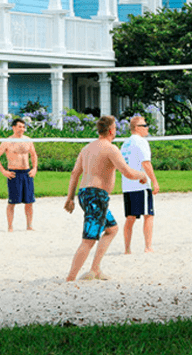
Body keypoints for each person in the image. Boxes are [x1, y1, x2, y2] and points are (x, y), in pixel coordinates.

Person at [63, 115, 147, 281]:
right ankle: (70, 278)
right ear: (111, 130)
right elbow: (128, 172)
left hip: (85, 194)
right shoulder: (110, 148)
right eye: (115, 128)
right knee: (89, 239)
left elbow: (75, 173)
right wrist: (142, 175)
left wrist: (70, 198)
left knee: (111, 229)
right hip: (97, 196)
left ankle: (95, 269)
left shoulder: (86, 148)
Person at [120, 115, 159, 253]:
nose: (147, 127)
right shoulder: (141, 142)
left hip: (127, 185)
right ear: (136, 128)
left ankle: (127, 249)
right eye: (144, 125)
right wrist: (154, 181)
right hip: (140, 185)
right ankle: (148, 247)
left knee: (130, 218)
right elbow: (146, 163)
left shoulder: (125, 144)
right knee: (148, 215)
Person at [0, 117, 38, 231]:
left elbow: (33, 155)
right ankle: (10, 226)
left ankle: (29, 225)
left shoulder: (28, 140)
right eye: (19, 127)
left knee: (29, 202)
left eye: (23, 127)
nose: (21, 129)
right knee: (12, 202)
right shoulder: (8, 141)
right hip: (14, 173)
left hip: (27, 173)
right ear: (13, 127)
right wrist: (3, 171)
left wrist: (35, 168)